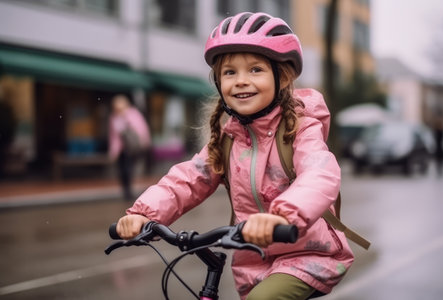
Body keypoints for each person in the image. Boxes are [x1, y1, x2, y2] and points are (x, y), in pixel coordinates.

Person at [115, 12, 354, 300]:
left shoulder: (301, 129)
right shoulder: (229, 140)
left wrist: (282, 217)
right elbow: (187, 180)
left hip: (308, 255)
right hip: (252, 262)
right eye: (230, 72)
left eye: (255, 70)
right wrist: (143, 214)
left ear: (284, 76)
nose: (241, 81)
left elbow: (319, 174)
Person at [108, 94, 151, 200]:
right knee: (122, 170)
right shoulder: (114, 118)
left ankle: (129, 191)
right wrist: (114, 151)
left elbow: (141, 129)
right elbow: (114, 136)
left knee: (128, 169)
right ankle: (126, 191)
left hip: (132, 148)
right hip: (122, 149)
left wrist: (144, 142)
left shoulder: (133, 114)